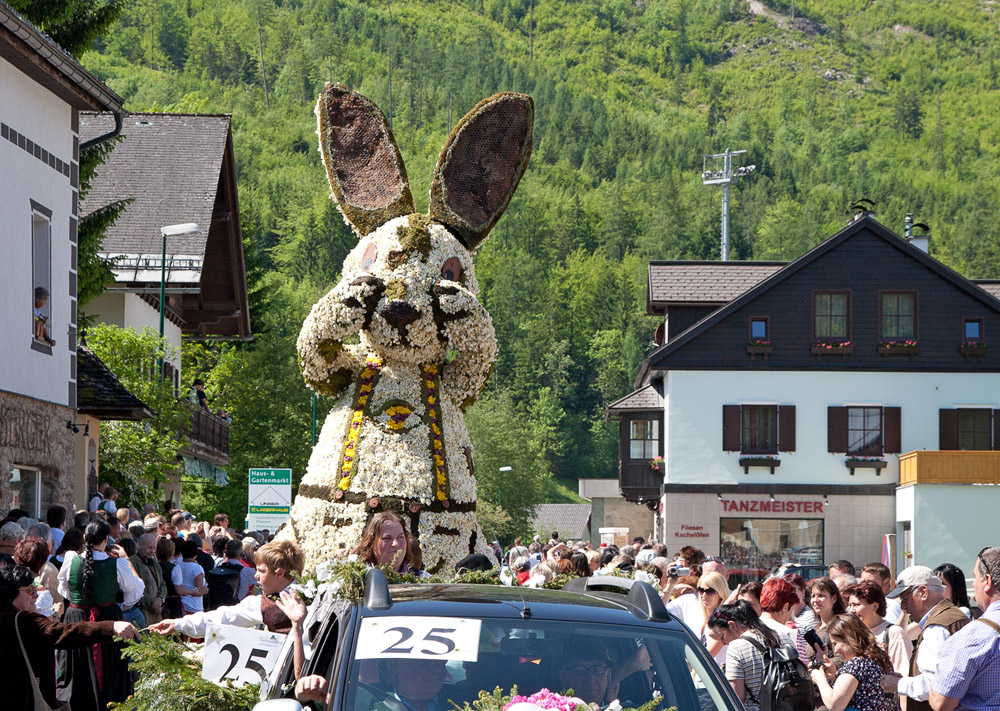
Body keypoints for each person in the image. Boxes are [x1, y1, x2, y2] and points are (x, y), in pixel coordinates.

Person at [0, 564, 139, 711]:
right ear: (12, 593)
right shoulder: (22, 620)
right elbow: (63, 632)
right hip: (21, 700)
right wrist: (111, 627)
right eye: (30, 590)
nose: (35, 595)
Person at [56, 518, 144, 711]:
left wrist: (80, 602)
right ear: (106, 539)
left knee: (77, 669)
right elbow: (136, 591)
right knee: (109, 670)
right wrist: (116, 604)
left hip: (75, 617)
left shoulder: (71, 559)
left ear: (85, 537)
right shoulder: (118, 564)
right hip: (108, 619)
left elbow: (64, 589)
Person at [150, 539, 305, 637]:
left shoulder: (309, 598)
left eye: (262, 571)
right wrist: (178, 624)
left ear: (280, 573)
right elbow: (223, 617)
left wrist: (178, 624)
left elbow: (224, 618)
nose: (256, 576)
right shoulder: (267, 602)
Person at [880, 565, 970, 711]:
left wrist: (899, 684)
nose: (903, 606)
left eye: (904, 598)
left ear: (923, 592)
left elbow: (934, 684)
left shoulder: (937, 627)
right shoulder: (951, 616)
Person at [929, 547, 1000, 711]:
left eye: (975, 577)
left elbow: (941, 703)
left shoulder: (973, 636)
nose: (974, 584)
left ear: (987, 582)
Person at [706, 600, 782, 711]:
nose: (723, 642)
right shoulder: (779, 636)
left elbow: (737, 696)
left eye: (721, 636)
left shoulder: (736, 647)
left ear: (732, 625)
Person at [810, 613, 894, 711]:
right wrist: (834, 676)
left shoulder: (856, 664)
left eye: (835, 643)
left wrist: (820, 679)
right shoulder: (879, 659)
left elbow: (835, 705)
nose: (835, 650)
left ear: (848, 638)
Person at [843, 580, 912, 682]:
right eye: (850, 605)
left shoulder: (893, 633)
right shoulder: (852, 633)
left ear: (875, 606)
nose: (851, 611)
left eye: (856, 605)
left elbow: (903, 676)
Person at [354, 511, 421, 573]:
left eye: (400, 537)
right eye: (387, 538)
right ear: (371, 543)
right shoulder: (356, 578)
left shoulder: (424, 580)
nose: (396, 544)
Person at [759, 578, 805, 660]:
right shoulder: (791, 634)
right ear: (785, 607)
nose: (790, 616)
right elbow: (803, 669)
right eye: (791, 610)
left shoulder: (742, 631)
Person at [696, 571, 731, 665]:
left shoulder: (725, 620)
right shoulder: (703, 617)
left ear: (720, 593)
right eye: (701, 590)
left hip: (719, 676)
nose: (704, 595)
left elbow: (708, 655)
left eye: (710, 591)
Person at [131, 533, 167, 625]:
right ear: (140, 545)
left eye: (154, 548)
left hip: (157, 612)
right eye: (150, 548)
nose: (152, 551)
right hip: (142, 611)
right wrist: (152, 604)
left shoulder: (155, 563)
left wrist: (160, 598)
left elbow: (162, 584)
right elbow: (134, 587)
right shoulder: (132, 562)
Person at [808, 576, 847, 656]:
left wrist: (823, 665)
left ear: (834, 598)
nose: (815, 600)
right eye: (813, 596)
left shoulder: (840, 626)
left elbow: (842, 659)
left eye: (821, 596)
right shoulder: (816, 627)